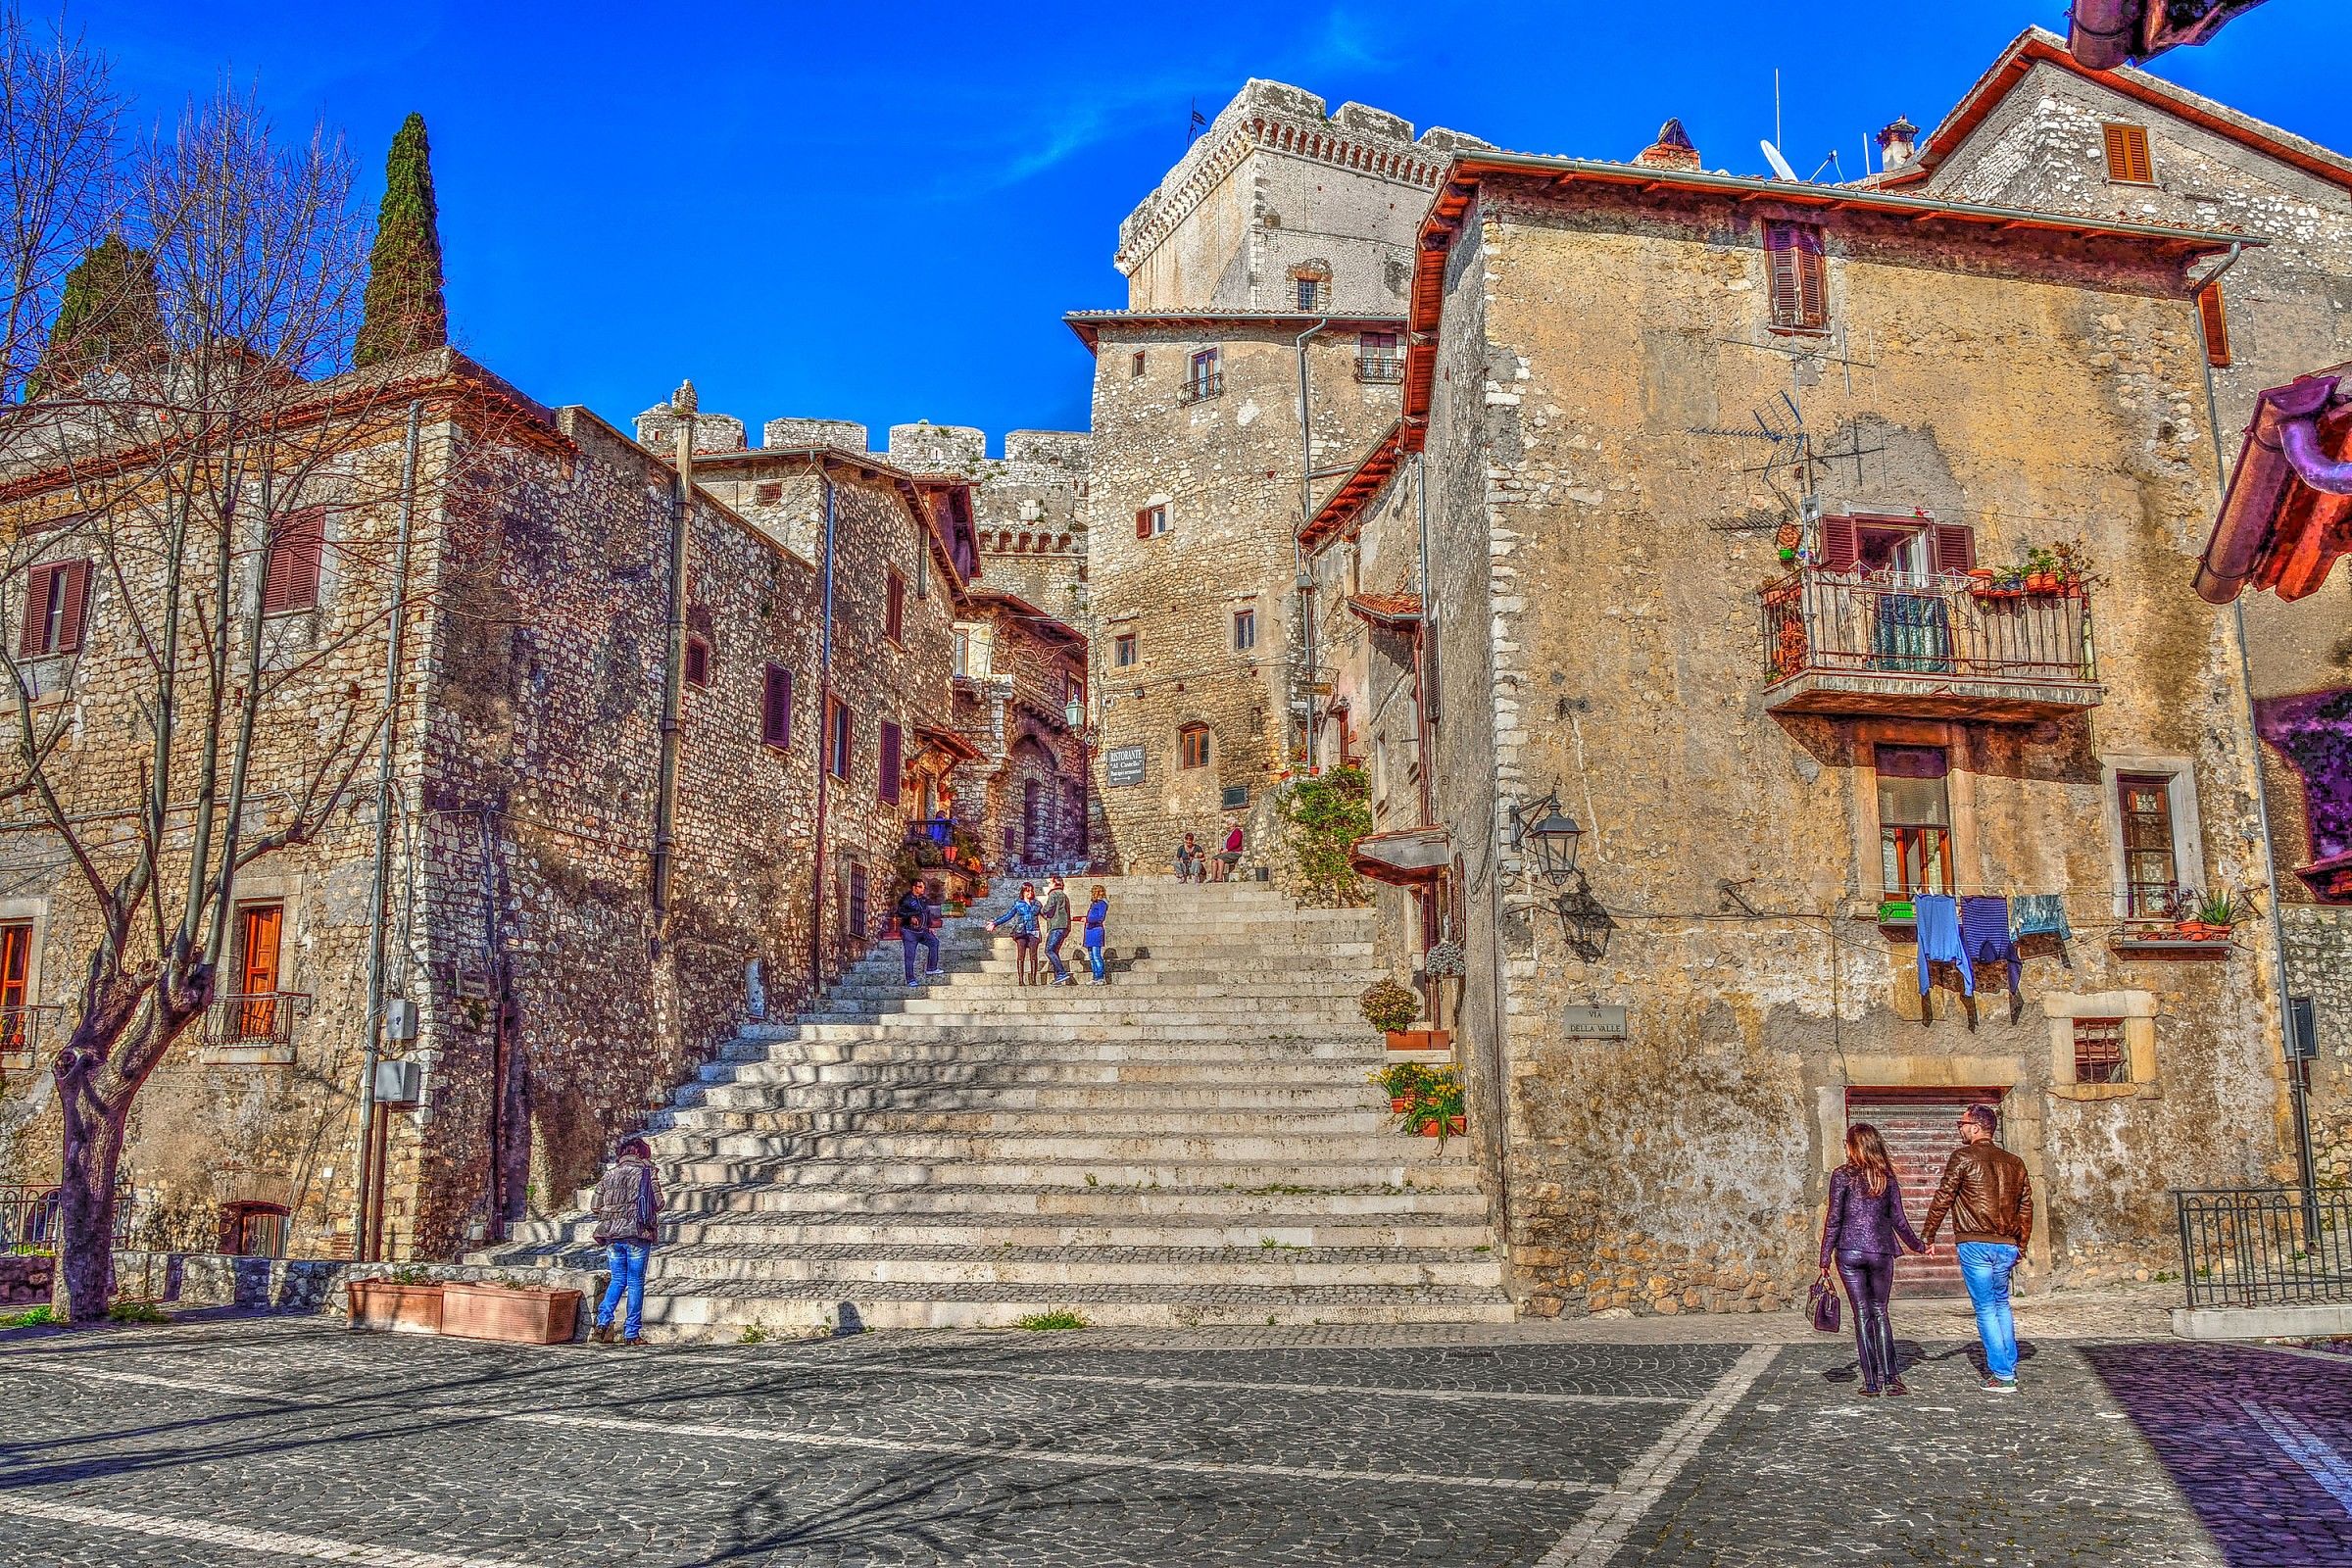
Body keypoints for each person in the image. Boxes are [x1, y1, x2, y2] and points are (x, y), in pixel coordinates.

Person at [1918, 1102, 2034, 1393]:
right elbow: (2026, 1206)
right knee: (2001, 1304)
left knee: (1985, 1308)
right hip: (2006, 1243)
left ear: (1976, 1127)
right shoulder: (2015, 1163)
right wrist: (2021, 1243)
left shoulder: (1963, 1157)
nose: (1960, 1128)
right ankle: (2008, 1365)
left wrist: (1928, 1235)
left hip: (1976, 1242)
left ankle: (2002, 1374)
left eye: (1962, 1123)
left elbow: (1944, 1196)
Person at [1818, 1123, 1925, 1397]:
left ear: (1853, 1147)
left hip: (1849, 1251)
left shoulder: (1842, 1175)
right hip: (1880, 1251)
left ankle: (1870, 1382)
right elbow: (1899, 1220)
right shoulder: (1886, 1177)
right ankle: (1892, 1378)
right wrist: (1919, 1246)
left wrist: (1824, 1256)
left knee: (1862, 1314)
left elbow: (1834, 1218)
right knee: (1880, 1312)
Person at [590, 1137, 662, 1347]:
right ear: (642, 1154)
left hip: (612, 1235)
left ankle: (602, 1322)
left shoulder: (609, 1175)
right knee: (635, 1281)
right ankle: (631, 1333)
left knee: (618, 1279)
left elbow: (595, 1205)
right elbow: (658, 1203)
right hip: (637, 1233)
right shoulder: (647, 1173)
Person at [989, 882, 1042, 985]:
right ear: (1023, 892)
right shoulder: (1018, 904)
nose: (1030, 893)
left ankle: (1033, 979)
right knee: (1021, 955)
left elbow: (1045, 914)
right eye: (1027, 891)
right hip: (1021, 931)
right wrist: (995, 923)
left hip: (1034, 930)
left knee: (1033, 956)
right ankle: (1021, 980)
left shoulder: (1037, 904)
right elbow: (1008, 915)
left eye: (1031, 890)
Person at [895, 878, 942, 984]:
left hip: (923, 931)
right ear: (914, 888)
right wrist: (910, 916)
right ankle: (910, 979)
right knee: (910, 956)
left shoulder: (923, 900)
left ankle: (931, 968)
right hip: (909, 932)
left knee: (934, 943)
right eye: (920, 887)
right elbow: (900, 912)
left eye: (923, 887)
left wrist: (930, 926)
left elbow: (927, 913)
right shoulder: (906, 900)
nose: (923, 889)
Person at [1039, 875, 1073, 986]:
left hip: (1057, 925)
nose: (1049, 885)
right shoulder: (1064, 895)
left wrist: (1042, 910)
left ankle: (1062, 973)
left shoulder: (1054, 894)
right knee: (1054, 951)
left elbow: (1049, 907)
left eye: (1050, 883)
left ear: (1054, 883)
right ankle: (1057, 977)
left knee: (1049, 950)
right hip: (1064, 926)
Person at [1082, 883, 1109, 984]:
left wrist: (1088, 919)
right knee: (1091, 957)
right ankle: (1095, 977)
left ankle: (1100, 977)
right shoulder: (1093, 904)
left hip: (1096, 931)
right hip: (1090, 931)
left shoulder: (1102, 903)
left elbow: (1101, 917)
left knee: (1096, 956)